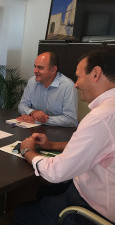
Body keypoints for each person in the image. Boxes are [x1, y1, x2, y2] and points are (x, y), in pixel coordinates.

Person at [14, 48, 115, 224]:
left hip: (91, 210)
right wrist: (51, 145)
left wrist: (27, 152)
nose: (76, 84)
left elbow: (56, 172)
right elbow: (97, 149)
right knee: (43, 193)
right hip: (91, 190)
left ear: (96, 74)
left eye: (79, 76)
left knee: (20, 212)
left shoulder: (101, 117)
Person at [17, 52, 78, 127]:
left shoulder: (67, 86)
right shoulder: (32, 81)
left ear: (53, 69)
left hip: (59, 133)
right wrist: (33, 112)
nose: (35, 71)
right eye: (35, 67)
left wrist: (38, 121)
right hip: (34, 128)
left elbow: (71, 120)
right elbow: (22, 106)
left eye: (40, 67)